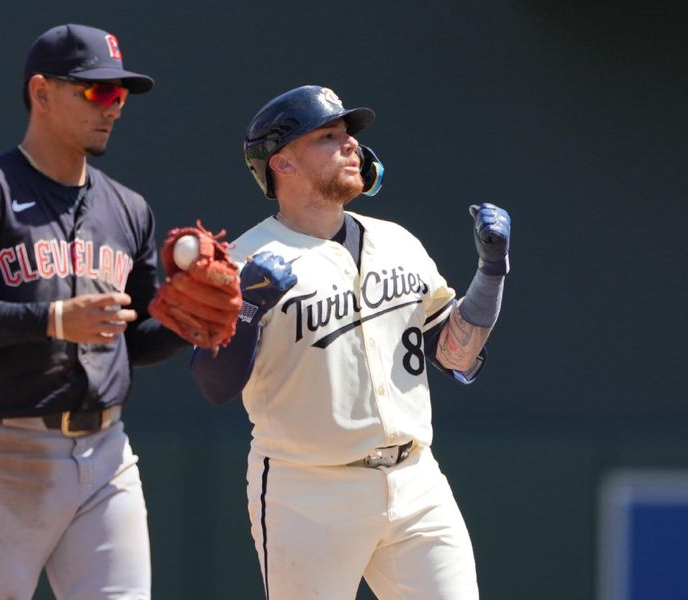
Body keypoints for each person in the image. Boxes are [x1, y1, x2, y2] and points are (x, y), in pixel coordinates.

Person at [0, 24, 223, 600]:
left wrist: (186, 327)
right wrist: (54, 320)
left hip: (107, 453)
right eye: (97, 92)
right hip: (4, 453)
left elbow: (129, 341)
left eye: (120, 95)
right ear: (41, 92)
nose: (113, 108)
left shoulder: (129, 209)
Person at [191, 85, 511, 599]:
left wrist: (491, 273)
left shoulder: (398, 241)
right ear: (283, 164)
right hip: (308, 491)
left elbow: (456, 356)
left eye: (349, 135)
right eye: (328, 135)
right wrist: (248, 309)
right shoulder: (241, 259)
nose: (350, 146)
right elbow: (214, 385)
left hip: (415, 481)